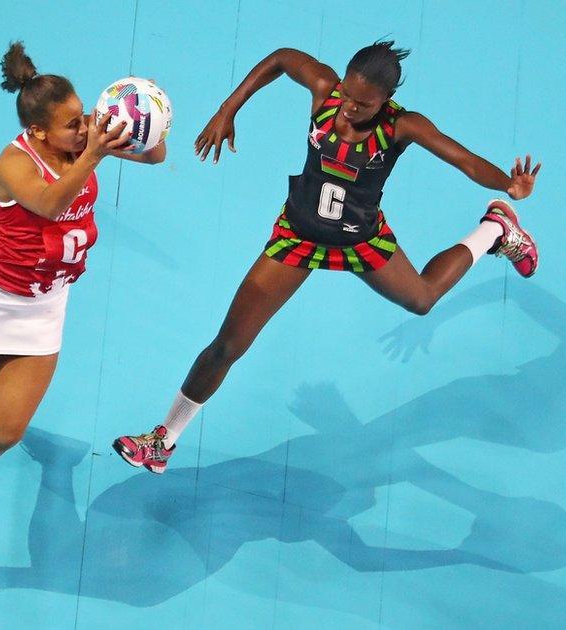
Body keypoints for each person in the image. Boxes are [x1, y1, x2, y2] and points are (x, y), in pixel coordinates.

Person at [113, 42, 540, 474]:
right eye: (349, 96)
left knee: (423, 299)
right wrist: (229, 108)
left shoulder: (401, 127)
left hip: (361, 240)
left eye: (364, 103)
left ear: (386, 101)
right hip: (298, 236)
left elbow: (464, 160)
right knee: (228, 345)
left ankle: (496, 230)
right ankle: (162, 441)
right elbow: (281, 57)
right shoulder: (325, 93)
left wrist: (508, 184)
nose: (350, 108)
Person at [0, 41, 166, 562]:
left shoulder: (85, 134)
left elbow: (156, 153)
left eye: (82, 117)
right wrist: (93, 154)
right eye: (70, 125)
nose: (83, 130)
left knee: (6, 430)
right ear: (39, 130)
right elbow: (48, 201)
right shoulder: (16, 161)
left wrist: (141, 119)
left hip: (40, 305)